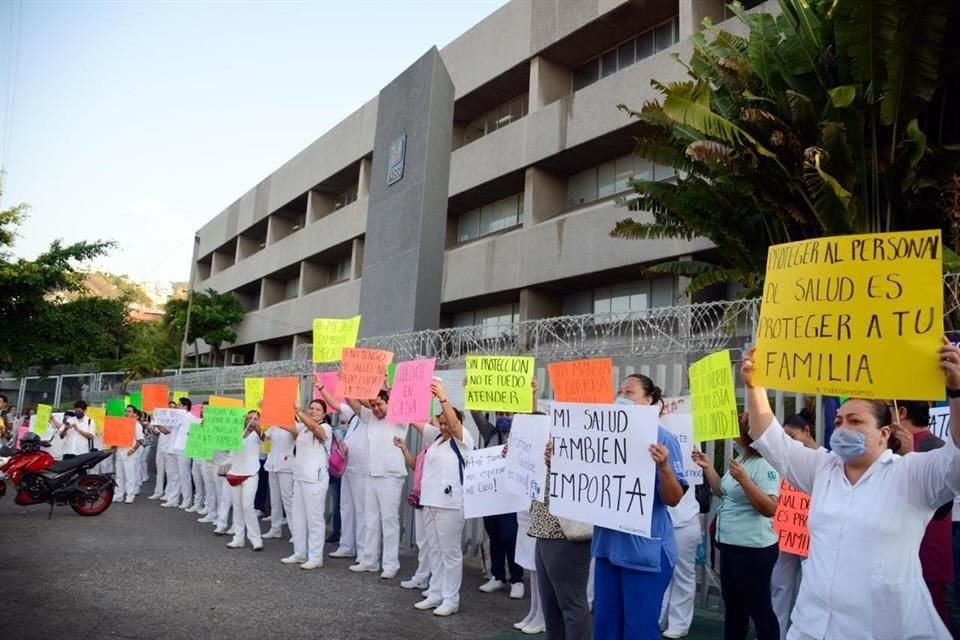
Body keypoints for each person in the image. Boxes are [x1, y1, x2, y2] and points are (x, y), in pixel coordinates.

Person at [743, 341, 960, 639]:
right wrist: (755, 387)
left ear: (885, 433)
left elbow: (957, 458)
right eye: (838, 421)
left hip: (884, 629)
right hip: (811, 626)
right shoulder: (822, 468)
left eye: (856, 421)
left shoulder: (913, 474)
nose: (843, 428)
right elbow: (770, 437)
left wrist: (957, 391)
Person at [592, 373, 687, 640]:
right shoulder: (602, 437)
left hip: (646, 554)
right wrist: (558, 463)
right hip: (608, 550)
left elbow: (673, 498)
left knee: (639, 631)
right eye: (619, 392)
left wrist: (664, 467)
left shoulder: (663, 440)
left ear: (649, 399)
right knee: (606, 629)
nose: (622, 397)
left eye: (630, 393)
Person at [692, 413, 780, 640]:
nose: (733, 433)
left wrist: (745, 480)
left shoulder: (765, 464)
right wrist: (707, 467)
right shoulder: (743, 460)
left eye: (738, 427)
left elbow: (770, 507)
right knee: (734, 607)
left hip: (753, 548)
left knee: (759, 608)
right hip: (731, 545)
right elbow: (722, 491)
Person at [317, 384, 408, 579]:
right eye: (373, 405)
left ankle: (391, 564)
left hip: (391, 476)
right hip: (371, 474)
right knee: (372, 519)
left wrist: (386, 386)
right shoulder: (371, 418)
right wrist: (348, 381)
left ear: (389, 403)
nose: (376, 408)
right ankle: (370, 560)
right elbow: (353, 403)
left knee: (389, 521)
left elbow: (396, 402)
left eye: (380, 404)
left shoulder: (398, 417)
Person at [399, 381, 472, 617]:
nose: (443, 426)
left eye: (447, 423)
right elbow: (415, 420)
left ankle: (451, 599)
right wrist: (398, 393)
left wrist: (443, 397)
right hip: (429, 502)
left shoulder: (463, 441)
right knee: (435, 550)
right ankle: (436, 593)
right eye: (439, 423)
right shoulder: (437, 440)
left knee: (450, 553)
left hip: (450, 505)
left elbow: (452, 422)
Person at [895, 400, 955, 631]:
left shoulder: (935, 448)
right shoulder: (890, 448)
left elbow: (941, 508)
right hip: (900, 558)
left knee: (931, 624)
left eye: (888, 409)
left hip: (928, 557)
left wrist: (908, 458)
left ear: (901, 413)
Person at [770, 409, 821, 639]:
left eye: (792, 436)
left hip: (811, 538)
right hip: (786, 534)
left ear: (807, 431)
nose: (789, 443)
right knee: (780, 586)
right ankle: (777, 633)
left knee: (810, 589)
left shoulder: (825, 459)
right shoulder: (785, 462)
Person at [534, 446, 592, 640]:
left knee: (571, 604)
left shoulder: (586, 427)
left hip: (566, 530)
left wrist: (563, 463)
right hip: (543, 526)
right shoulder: (547, 425)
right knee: (550, 606)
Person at [470, 405, 524, 599]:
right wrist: (473, 390)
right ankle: (498, 576)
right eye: (500, 413)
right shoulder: (490, 432)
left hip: (511, 497)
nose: (503, 417)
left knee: (510, 537)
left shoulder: (522, 435)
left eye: (507, 414)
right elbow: (475, 414)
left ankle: (517, 579)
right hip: (491, 495)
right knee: (494, 535)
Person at [278, 399, 333, 570]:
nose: (314, 411)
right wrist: (270, 407)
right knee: (299, 517)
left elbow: (316, 429)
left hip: (315, 479)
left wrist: (299, 412)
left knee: (314, 519)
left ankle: (316, 557)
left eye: (318, 409)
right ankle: (300, 553)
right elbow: (286, 425)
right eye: (312, 408)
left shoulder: (325, 428)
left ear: (324, 414)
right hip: (300, 478)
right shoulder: (303, 428)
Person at [659, 467, 703, 639]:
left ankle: (679, 623)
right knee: (661, 572)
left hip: (683, 519)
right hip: (661, 518)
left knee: (683, 573)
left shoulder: (688, 444)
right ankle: (661, 618)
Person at [330, 411, 369, 561]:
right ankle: (346, 546)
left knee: (361, 511)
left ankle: (363, 550)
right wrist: (320, 387)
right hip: (348, 467)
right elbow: (336, 404)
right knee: (346, 508)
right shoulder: (353, 416)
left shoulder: (370, 414)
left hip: (362, 469)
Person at [225, 410, 265, 551]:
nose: (251, 420)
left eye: (254, 418)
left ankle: (256, 539)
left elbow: (263, 437)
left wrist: (257, 426)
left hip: (251, 473)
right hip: (235, 472)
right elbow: (228, 447)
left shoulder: (258, 433)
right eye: (248, 418)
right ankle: (238, 537)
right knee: (237, 506)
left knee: (247, 506)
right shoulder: (237, 432)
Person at [263, 419, 295, 540]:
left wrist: (286, 425)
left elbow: (297, 436)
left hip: (286, 465)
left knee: (287, 499)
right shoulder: (274, 425)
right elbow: (264, 437)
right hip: (272, 463)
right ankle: (275, 529)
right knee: (274, 499)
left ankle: (295, 532)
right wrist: (256, 425)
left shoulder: (294, 424)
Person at [113, 405, 145, 504]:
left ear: (135, 414)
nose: (127, 413)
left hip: (130, 453)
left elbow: (140, 440)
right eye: (126, 411)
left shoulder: (137, 425)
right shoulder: (121, 423)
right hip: (120, 452)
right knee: (119, 476)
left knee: (129, 476)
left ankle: (130, 495)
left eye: (129, 411)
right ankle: (118, 495)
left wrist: (133, 450)